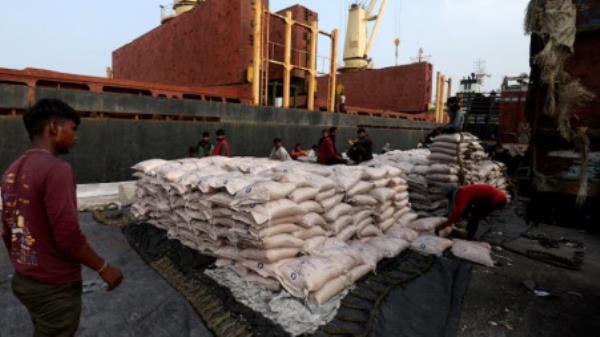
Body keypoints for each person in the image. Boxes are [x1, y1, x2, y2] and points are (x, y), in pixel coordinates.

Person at [1, 99, 123, 337]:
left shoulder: (11, 171)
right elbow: (67, 236)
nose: (75, 137)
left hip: (25, 281)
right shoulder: (57, 169)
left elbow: (8, 230)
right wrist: (104, 267)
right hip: (54, 287)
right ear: (54, 128)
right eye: (72, 129)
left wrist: (25, 265)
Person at [435, 184, 508, 239]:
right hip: (489, 198)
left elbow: (458, 210)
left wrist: (444, 225)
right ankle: (465, 227)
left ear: (452, 193)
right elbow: (457, 207)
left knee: (475, 215)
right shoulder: (462, 191)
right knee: (469, 208)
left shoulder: (463, 193)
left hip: (497, 200)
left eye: (448, 196)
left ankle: (469, 236)